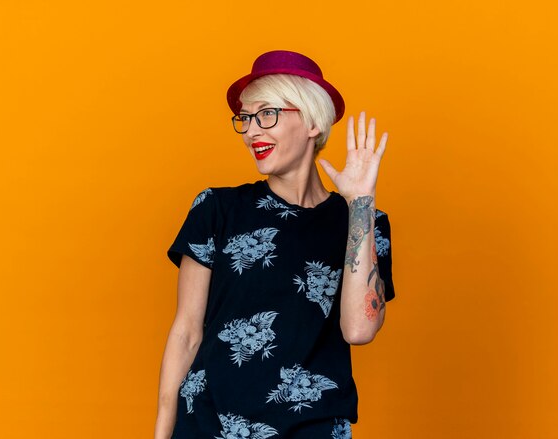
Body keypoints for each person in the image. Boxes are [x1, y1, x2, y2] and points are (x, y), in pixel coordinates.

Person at [154, 50, 395, 439]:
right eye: (245, 119)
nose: (251, 131)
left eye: (267, 114)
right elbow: (186, 333)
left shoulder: (364, 223)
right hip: (208, 425)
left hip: (312, 428)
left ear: (313, 122)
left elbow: (359, 330)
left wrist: (361, 204)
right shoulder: (217, 209)